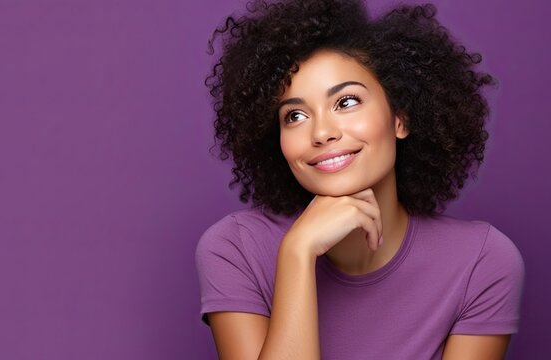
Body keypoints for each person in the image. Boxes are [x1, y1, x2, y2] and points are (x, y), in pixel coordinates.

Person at [194, 0, 525, 359]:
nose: (321, 132)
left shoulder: (481, 262)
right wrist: (297, 254)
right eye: (295, 115)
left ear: (400, 120)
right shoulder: (235, 249)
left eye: (347, 102)